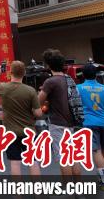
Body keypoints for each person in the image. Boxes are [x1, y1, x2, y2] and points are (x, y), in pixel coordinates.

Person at [0, 60, 43, 176]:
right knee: (33, 161)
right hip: (29, 132)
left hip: (10, 132)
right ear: (24, 73)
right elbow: (38, 113)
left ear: (11, 72)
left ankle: (18, 189)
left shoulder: (4, 88)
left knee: (15, 163)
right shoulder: (30, 90)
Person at [39, 49, 81, 177]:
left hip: (57, 123)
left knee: (63, 158)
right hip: (71, 122)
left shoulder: (50, 81)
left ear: (48, 65)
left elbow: (38, 101)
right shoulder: (69, 79)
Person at [77, 63, 104, 190]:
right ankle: (102, 176)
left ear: (83, 75)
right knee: (103, 149)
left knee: (96, 151)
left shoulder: (79, 88)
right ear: (96, 74)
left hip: (89, 122)